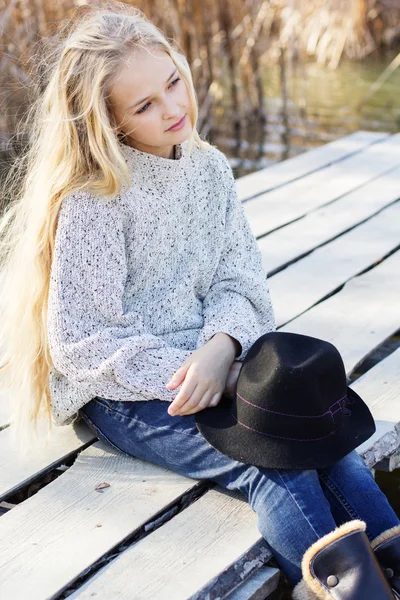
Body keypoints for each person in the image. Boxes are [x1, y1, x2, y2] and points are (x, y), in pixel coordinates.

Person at [0, 4, 398, 598]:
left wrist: (222, 349)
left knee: (323, 437)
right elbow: (82, 338)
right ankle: (346, 591)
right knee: (270, 461)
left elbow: (240, 283)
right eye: (145, 106)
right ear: (107, 122)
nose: (173, 108)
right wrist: (193, 374)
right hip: (123, 389)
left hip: (216, 364)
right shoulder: (95, 198)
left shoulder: (208, 169)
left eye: (172, 83)